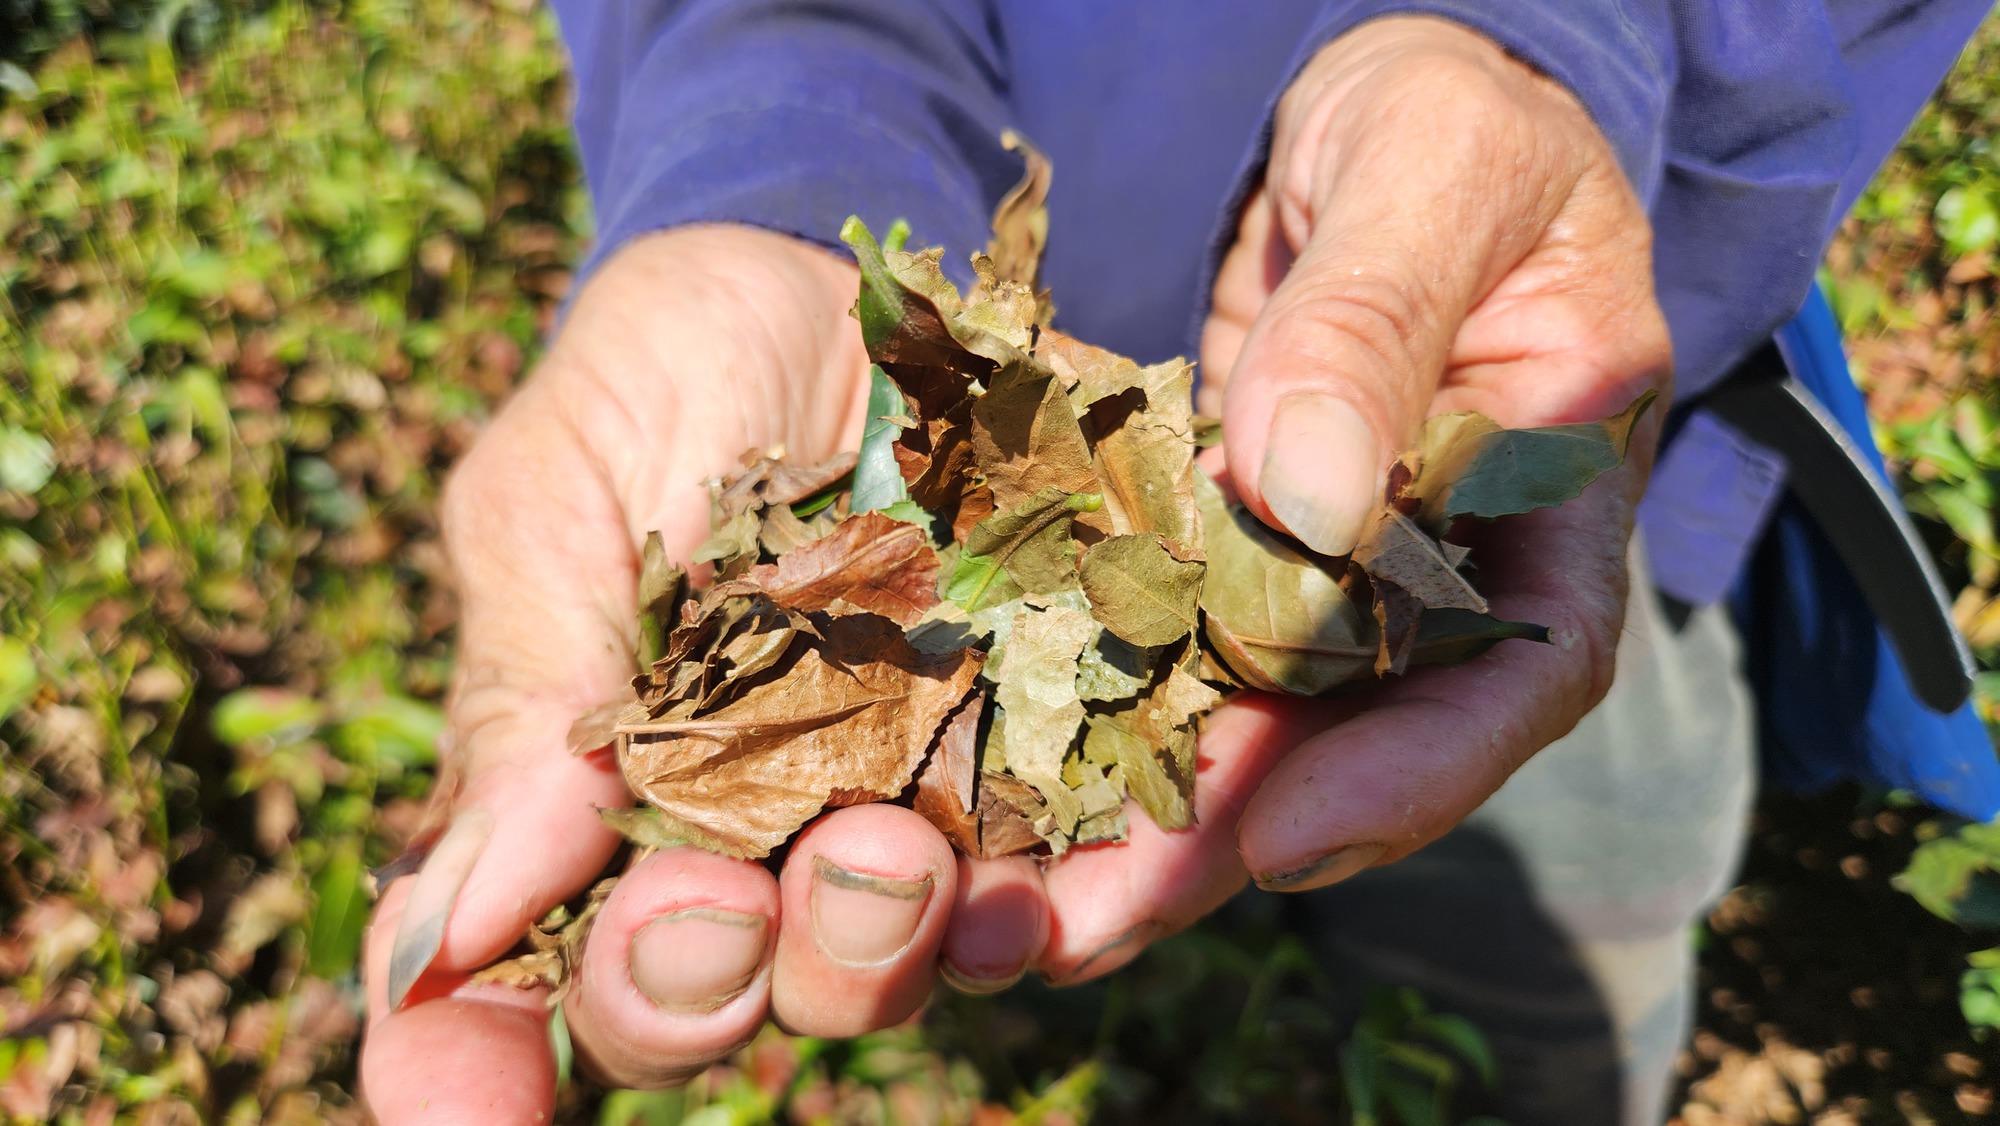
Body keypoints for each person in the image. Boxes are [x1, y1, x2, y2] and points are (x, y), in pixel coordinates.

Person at [357, 3, 1999, 1123]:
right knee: (1033, 935)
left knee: (1567, 930)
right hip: (966, 433)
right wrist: (778, 165)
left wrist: (1557, 45)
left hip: (1525, 359)